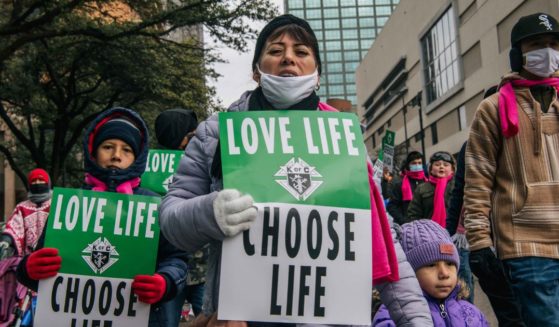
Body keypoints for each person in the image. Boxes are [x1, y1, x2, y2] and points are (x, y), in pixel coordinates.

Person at [159, 14, 432, 327]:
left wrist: (417, 321)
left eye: (301, 52)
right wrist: (211, 212)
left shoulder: (345, 142)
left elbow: (378, 239)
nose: (288, 57)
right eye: (276, 51)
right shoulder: (217, 134)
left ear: (317, 76)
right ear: (256, 72)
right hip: (239, 319)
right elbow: (171, 220)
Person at [15, 107, 188, 327]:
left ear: (137, 157)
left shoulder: (155, 205)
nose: (116, 155)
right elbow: (39, 264)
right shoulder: (69, 205)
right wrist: (29, 268)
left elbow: (176, 259)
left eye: (126, 149)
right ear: (93, 152)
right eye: (108, 147)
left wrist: (165, 282)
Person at [464, 12, 559, 326]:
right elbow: (477, 179)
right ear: (518, 53)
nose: (548, 52)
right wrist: (479, 242)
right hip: (525, 245)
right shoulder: (492, 108)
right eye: (537, 44)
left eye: (553, 44)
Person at [372, 220, 489, 326]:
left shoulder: (472, 313)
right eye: (431, 265)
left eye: (449, 264)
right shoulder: (394, 315)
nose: (444, 273)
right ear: (408, 272)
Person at [154, 108, 207, 317]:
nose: (195, 139)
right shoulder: (146, 169)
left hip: (202, 268)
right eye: (190, 135)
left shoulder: (204, 165)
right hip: (165, 270)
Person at [0, 169, 52, 260]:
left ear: (48, 183)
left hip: (51, 255)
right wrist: (6, 240)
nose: (37, 183)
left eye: (41, 180)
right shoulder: (22, 207)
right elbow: (14, 227)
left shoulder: (55, 204)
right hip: (28, 259)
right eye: (34, 181)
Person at [407, 151, 455, 226]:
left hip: (454, 233)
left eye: (446, 165)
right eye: (437, 164)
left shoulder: (458, 186)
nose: (441, 167)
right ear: (431, 169)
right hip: (429, 233)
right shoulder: (422, 188)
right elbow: (414, 213)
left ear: (452, 170)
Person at [386, 151, 427, 225]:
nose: (417, 165)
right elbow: (391, 206)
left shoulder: (428, 183)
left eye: (419, 163)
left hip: (427, 225)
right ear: (408, 165)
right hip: (407, 225)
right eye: (414, 163)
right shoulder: (400, 185)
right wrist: (403, 220)